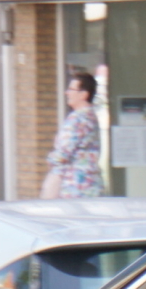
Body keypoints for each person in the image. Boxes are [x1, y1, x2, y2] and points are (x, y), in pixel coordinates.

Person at [42, 70, 103, 198]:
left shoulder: (77, 118)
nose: (67, 93)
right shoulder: (91, 116)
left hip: (74, 186)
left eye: (71, 89)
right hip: (90, 183)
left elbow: (63, 153)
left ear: (83, 95)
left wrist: (50, 160)